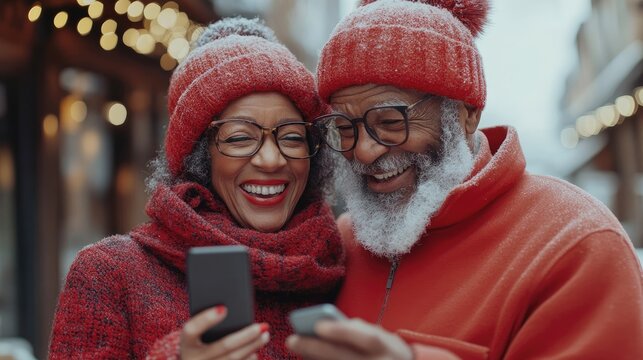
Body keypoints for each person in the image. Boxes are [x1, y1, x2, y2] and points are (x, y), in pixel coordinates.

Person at [287, 0, 643, 359]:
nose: (363, 151)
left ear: (466, 114)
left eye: (391, 122)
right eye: (344, 129)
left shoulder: (575, 243)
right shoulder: (342, 240)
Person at [48, 17, 345, 360]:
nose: (270, 159)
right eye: (239, 137)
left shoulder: (339, 264)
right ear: (198, 157)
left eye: (292, 136)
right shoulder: (110, 273)